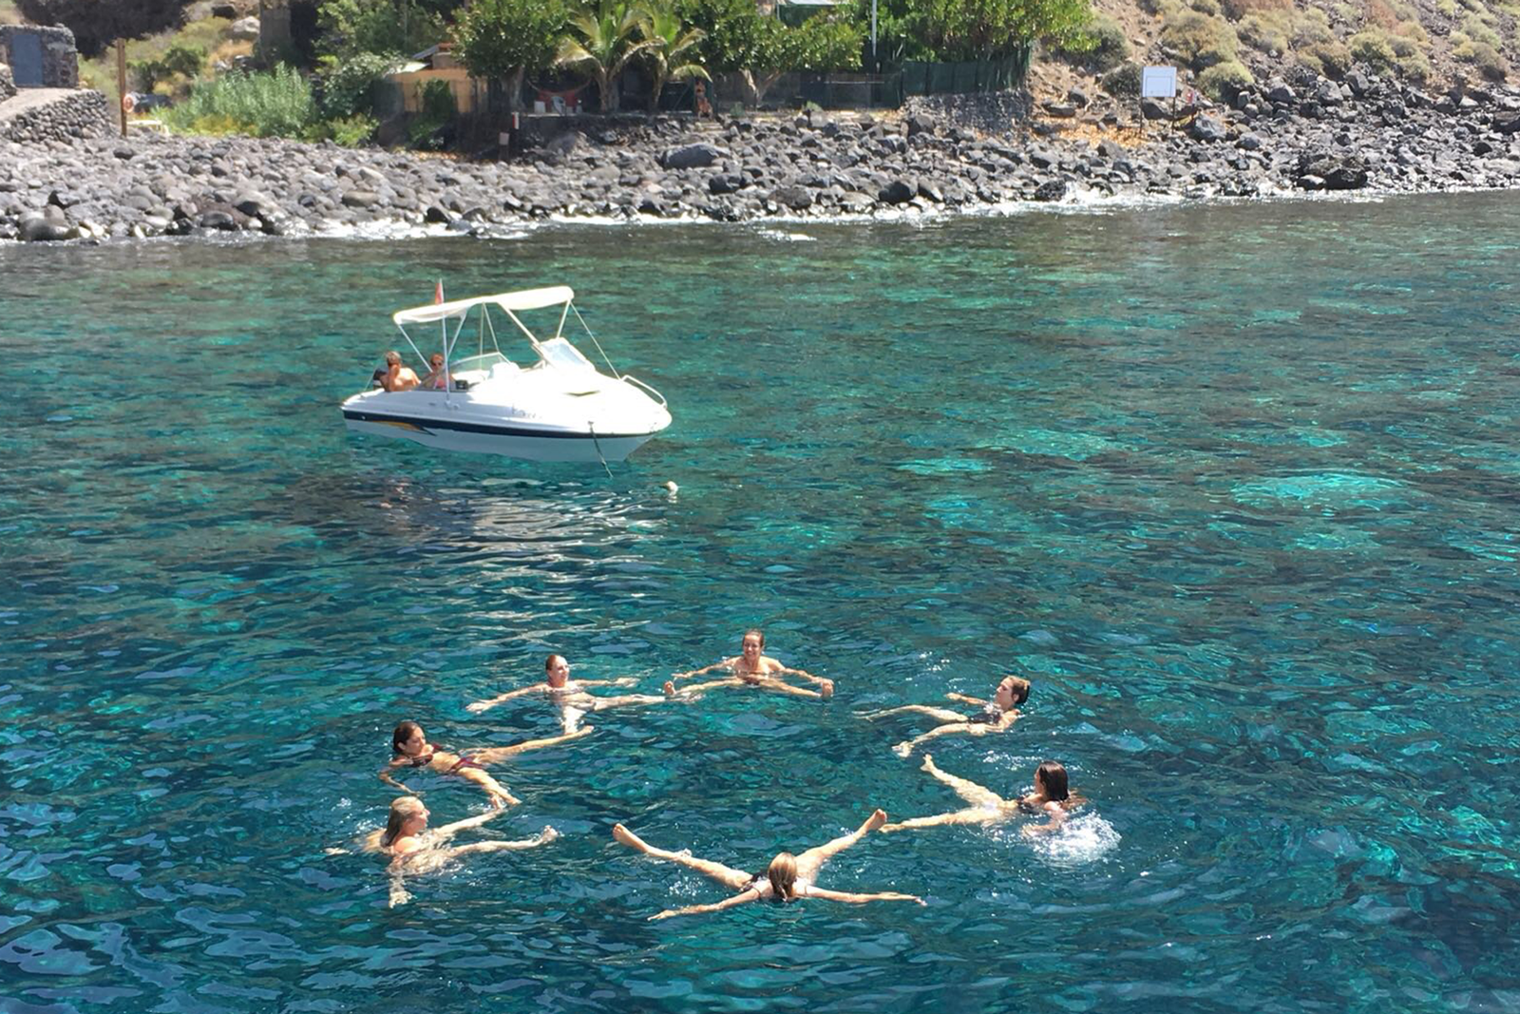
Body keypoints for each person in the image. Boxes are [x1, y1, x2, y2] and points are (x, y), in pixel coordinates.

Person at [611, 809, 924, 919]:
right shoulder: (801, 887)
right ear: (793, 874)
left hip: (751, 881)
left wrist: (675, 912)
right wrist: (900, 897)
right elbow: (853, 898)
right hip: (765, 882)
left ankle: (648, 848)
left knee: (696, 863)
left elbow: (718, 906)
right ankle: (861, 831)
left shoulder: (761, 890)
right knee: (823, 851)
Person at [368, 796, 558, 907]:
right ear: (408, 821)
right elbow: (395, 867)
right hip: (423, 866)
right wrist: (397, 890)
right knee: (477, 846)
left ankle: (493, 813)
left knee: (448, 828)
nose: (428, 813)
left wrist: (492, 814)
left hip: (421, 851)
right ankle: (532, 843)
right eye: (422, 812)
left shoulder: (385, 834)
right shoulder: (411, 845)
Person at [378, 719, 591, 808]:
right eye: (416, 741)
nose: (423, 742)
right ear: (403, 745)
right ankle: (512, 800)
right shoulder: (403, 760)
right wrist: (403, 788)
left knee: (521, 747)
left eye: (423, 737)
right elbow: (383, 775)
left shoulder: (423, 748)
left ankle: (568, 737)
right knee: (485, 780)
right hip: (457, 769)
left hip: (472, 757)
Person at [879, 758, 1084, 837]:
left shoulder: (1050, 804)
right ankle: (932, 769)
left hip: (997, 814)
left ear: (1044, 783)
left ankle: (899, 826)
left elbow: (1059, 820)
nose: (1033, 777)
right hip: (998, 804)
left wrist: (1039, 829)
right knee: (964, 785)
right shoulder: (1047, 794)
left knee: (948, 818)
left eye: (1036, 776)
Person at [466, 654, 670, 733]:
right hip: (571, 708)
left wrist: (620, 682)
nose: (565, 671)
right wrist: (489, 703)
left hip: (595, 702)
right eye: (560, 668)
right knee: (570, 730)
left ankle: (670, 698)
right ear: (549, 672)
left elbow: (603, 682)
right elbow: (514, 694)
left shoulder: (575, 683)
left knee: (636, 698)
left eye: (566, 667)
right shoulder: (545, 688)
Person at [859, 675, 1030, 757]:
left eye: (1003, 689)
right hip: (966, 719)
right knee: (917, 707)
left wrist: (983, 727)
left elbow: (1001, 728)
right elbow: (980, 703)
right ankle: (876, 715)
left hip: (973, 727)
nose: (997, 690)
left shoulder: (1013, 713)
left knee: (940, 731)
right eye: (999, 685)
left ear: (1015, 697)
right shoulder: (994, 704)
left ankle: (909, 745)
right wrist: (961, 698)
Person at [664, 629, 833, 700]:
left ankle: (819, 696)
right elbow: (710, 669)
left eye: (754, 646)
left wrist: (816, 679)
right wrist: (689, 675)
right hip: (739, 683)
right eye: (746, 645)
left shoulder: (771, 664)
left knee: (787, 688)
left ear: (761, 648)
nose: (749, 649)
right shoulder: (735, 662)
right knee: (711, 684)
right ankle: (676, 693)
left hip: (765, 683)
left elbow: (794, 672)